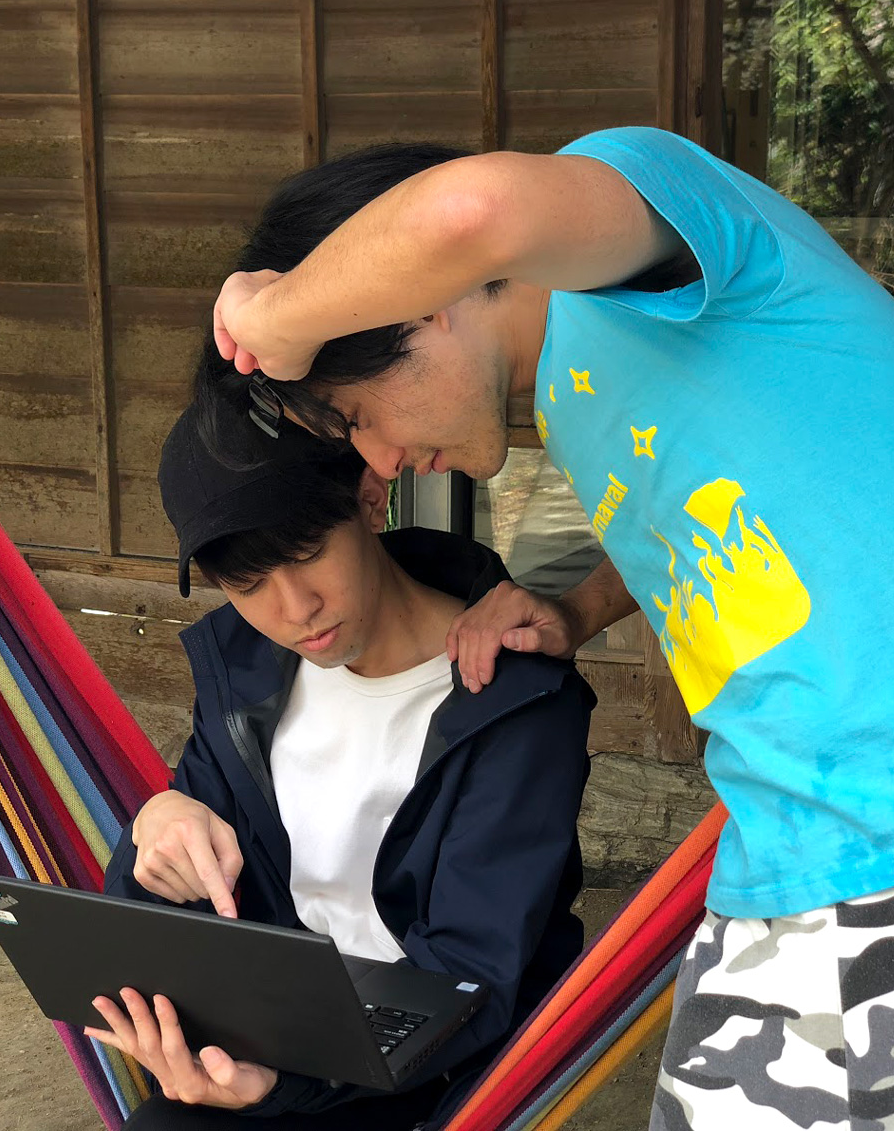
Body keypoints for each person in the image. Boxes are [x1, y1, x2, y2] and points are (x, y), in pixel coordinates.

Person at [197, 130, 894, 1127]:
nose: (378, 461)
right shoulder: (571, 400)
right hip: (788, 853)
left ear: (427, 297)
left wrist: (274, 315)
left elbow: (469, 212)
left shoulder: (656, 230)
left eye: (355, 413)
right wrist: (577, 608)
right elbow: (702, 517)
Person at [89, 404, 595, 1130]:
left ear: (369, 498)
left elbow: (472, 977)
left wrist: (284, 1085)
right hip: (274, 1040)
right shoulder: (246, 669)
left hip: (435, 1078)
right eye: (249, 585)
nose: (295, 609)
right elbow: (161, 914)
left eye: (307, 552)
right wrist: (155, 823)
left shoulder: (517, 705)